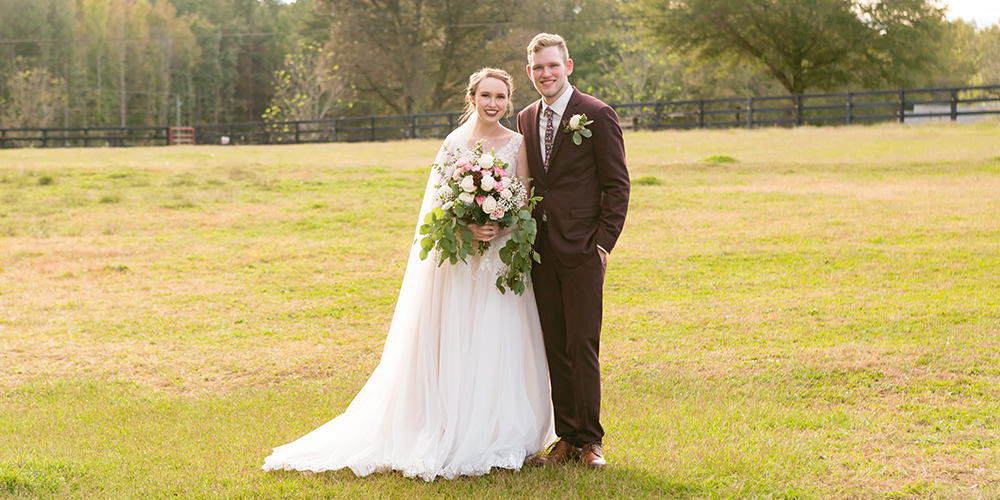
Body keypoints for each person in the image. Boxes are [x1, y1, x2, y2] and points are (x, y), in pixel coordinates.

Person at [262, 68, 555, 481]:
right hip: (463, 258)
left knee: (498, 333)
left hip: (499, 257)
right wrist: (468, 226)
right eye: (486, 95)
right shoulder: (454, 144)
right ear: (472, 97)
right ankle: (449, 423)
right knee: (460, 334)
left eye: (501, 97)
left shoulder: (516, 142)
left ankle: (496, 425)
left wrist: (500, 225)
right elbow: (439, 204)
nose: (493, 104)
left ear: (509, 101)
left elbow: (523, 194)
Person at [516, 33, 630, 469]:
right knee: (555, 344)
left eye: (553, 65)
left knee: (583, 344)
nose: (546, 73)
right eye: (538, 67)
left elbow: (616, 185)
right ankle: (565, 438)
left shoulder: (597, 114)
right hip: (540, 251)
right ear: (530, 73)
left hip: (583, 249)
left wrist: (602, 244)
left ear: (568, 66)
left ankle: (591, 442)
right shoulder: (526, 117)